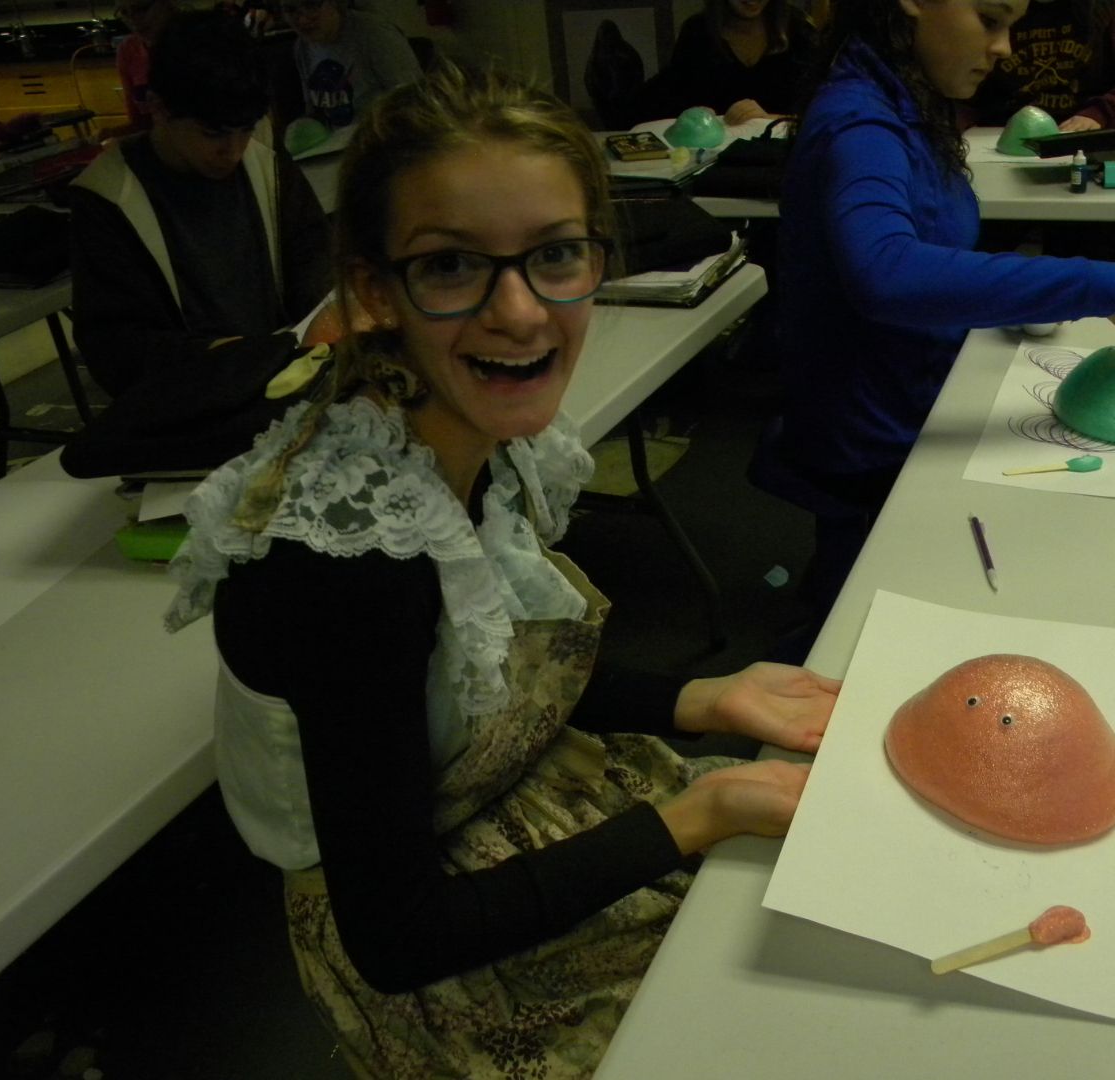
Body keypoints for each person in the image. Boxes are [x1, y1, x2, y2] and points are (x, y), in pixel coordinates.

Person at [164, 63, 837, 1078]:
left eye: (556, 255)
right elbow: (395, 938)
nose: (522, 313)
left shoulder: (469, 428)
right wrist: (696, 813)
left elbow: (491, 676)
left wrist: (705, 698)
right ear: (371, 288)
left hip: (508, 798)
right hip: (432, 933)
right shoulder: (347, 561)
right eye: (450, 267)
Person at [773, 0, 1115, 616]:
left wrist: (999, 299)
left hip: (917, 393)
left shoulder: (910, 101)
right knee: (858, 626)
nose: (1005, 48)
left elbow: (933, 241)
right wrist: (1095, 284)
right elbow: (888, 272)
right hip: (873, 433)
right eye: (990, 20)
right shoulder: (861, 121)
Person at [69, 10, 331, 399]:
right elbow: (113, 349)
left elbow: (316, 267)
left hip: (285, 381)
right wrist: (221, 356)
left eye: (244, 130)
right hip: (187, 401)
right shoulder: (108, 196)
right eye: (213, 134)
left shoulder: (264, 163)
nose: (233, 151)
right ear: (157, 106)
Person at [961, 0, 1115, 260]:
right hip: (1001, 152)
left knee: (1089, 261)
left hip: (1086, 152)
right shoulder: (996, 6)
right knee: (972, 253)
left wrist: (1103, 113)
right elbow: (959, 89)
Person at [635, 0, 818, 125]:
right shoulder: (698, 32)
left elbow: (820, 109)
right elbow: (675, 103)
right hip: (714, 159)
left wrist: (768, 119)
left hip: (783, 156)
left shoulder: (798, 29)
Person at [282, 0, 423, 129]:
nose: (302, 19)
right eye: (290, 10)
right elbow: (313, 110)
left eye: (312, 5)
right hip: (334, 144)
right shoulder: (302, 48)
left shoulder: (375, 34)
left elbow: (414, 100)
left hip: (382, 136)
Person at [107, 0, 176, 137]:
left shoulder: (197, 42)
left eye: (141, 9)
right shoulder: (128, 49)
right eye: (124, 12)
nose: (133, 19)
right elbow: (139, 122)